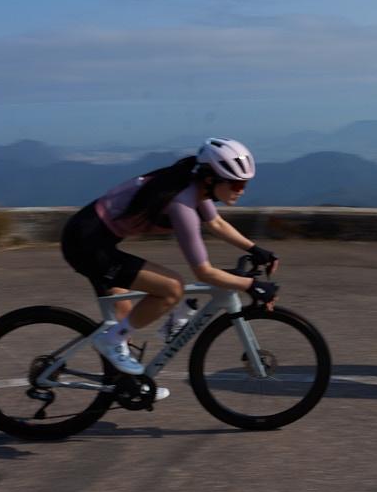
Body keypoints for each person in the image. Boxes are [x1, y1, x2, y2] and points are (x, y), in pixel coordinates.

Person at [60, 137, 279, 377]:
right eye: (237, 185)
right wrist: (252, 285)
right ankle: (113, 343)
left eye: (245, 184)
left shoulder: (196, 188)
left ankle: (125, 384)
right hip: (86, 243)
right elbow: (203, 271)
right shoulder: (182, 204)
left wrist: (255, 249)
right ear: (211, 178)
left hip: (97, 238)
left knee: (123, 316)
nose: (242, 191)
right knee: (171, 288)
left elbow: (216, 223)